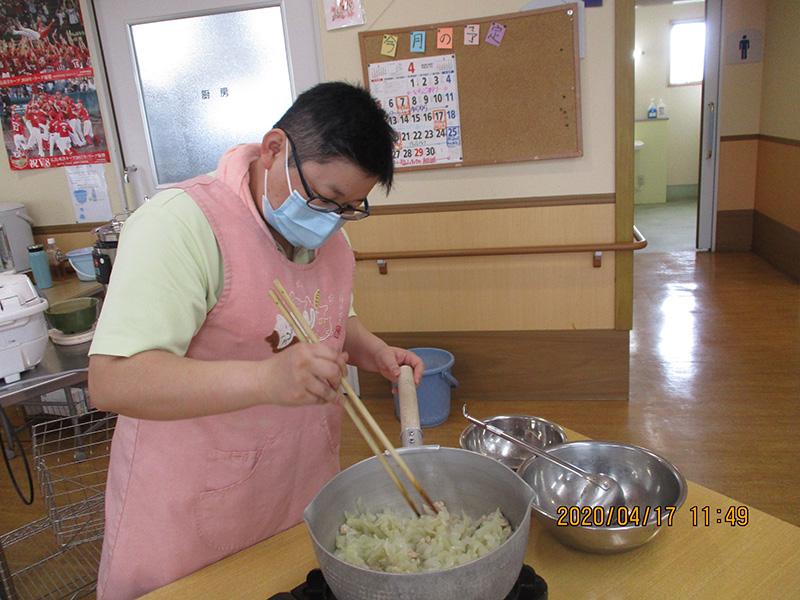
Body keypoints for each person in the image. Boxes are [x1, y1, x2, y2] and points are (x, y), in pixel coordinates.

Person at [88, 81, 424, 599]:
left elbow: (329, 319)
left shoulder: (327, 230)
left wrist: (372, 349)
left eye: (350, 207)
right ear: (273, 149)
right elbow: (113, 379)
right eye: (327, 198)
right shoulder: (179, 225)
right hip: (195, 509)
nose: (333, 218)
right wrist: (269, 378)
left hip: (297, 490)